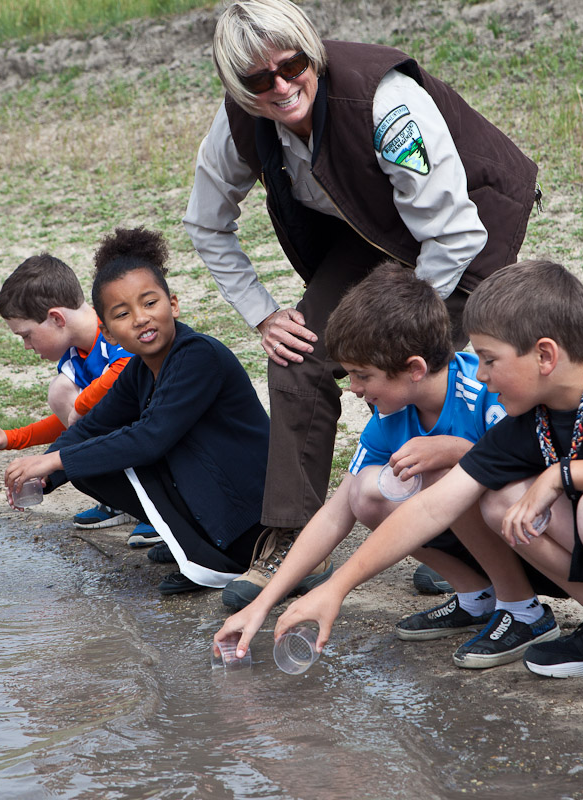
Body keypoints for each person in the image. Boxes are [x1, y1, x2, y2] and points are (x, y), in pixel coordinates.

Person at [275, 260, 583, 714]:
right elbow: (430, 509)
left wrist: (563, 474)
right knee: (498, 499)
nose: (483, 375)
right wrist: (337, 588)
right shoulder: (528, 423)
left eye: (489, 359)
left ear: (544, 355)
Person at [183, 0, 540, 602]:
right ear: (237, 85)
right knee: (297, 356)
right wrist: (264, 313)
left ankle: (465, 535)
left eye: (291, 65)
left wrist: (400, 325)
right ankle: (290, 538)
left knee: (438, 377)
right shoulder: (240, 119)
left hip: (467, 222)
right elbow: (206, 224)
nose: (279, 86)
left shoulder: (384, 101)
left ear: (311, 53)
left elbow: (452, 232)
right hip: (370, 233)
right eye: (256, 80)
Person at [217, 265, 564, 668]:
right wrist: (263, 605)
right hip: (483, 536)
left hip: (539, 539)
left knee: (446, 473)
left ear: (415, 369)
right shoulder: (391, 413)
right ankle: (478, 597)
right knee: (366, 491)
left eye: (363, 375)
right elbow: (337, 512)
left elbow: (536, 475)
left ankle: (523, 610)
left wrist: (458, 449)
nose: (354, 389)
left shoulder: (485, 390)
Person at [2, 228, 270, 595]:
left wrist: (55, 460)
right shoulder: (139, 370)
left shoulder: (197, 355)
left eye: (149, 303)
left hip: (252, 517)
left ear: (173, 305)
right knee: (84, 462)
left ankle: (220, 560)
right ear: (108, 333)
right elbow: (90, 427)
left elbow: (150, 438)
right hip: (218, 497)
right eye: (123, 313)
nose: (141, 318)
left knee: (107, 454)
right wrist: (44, 475)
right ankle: (191, 542)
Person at [0, 253, 159, 547]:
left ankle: (156, 506)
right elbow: (77, 422)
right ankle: (122, 501)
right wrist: (10, 437)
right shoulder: (75, 354)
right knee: (72, 426)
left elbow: (126, 369)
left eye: (26, 335)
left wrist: (80, 407)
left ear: (56, 318)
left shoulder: (112, 329)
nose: (27, 346)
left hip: (166, 441)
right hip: (130, 441)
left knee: (62, 393)